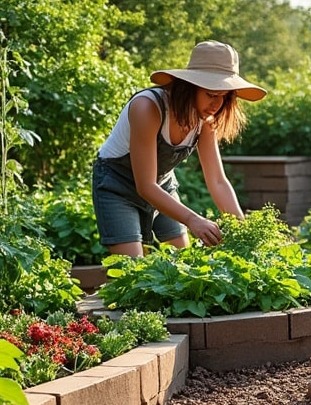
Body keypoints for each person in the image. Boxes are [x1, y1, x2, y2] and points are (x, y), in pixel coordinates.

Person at [91, 40, 265, 257]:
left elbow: (218, 181)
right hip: (116, 185)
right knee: (129, 271)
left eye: (224, 97)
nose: (216, 105)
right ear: (190, 86)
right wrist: (194, 219)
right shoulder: (148, 107)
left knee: (183, 265)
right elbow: (145, 185)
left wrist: (243, 231)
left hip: (162, 185)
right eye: (211, 95)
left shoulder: (206, 121)